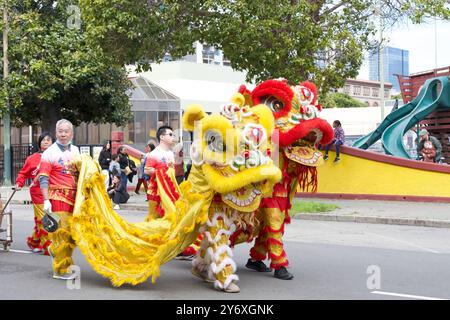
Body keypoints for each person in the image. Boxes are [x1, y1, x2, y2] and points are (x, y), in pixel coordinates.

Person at [37, 119, 80, 280]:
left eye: (66, 131)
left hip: (74, 199)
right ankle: (61, 270)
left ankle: (54, 250)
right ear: (56, 133)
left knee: (72, 235)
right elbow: (43, 178)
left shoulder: (76, 151)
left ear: (71, 133)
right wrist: (46, 199)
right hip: (57, 197)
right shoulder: (50, 153)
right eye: (60, 131)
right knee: (62, 234)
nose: (63, 134)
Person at [15, 132, 55, 255]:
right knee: (44, 220)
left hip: (54, 192)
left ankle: (33, 241)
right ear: (39, 143)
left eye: (49, 140)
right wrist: (19, 183)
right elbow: (23, 173)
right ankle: (47, 246)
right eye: (43, 140)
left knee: (52, 219)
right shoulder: (32, 158)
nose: (46, 142)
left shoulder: (57, 157)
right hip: (38, 193)